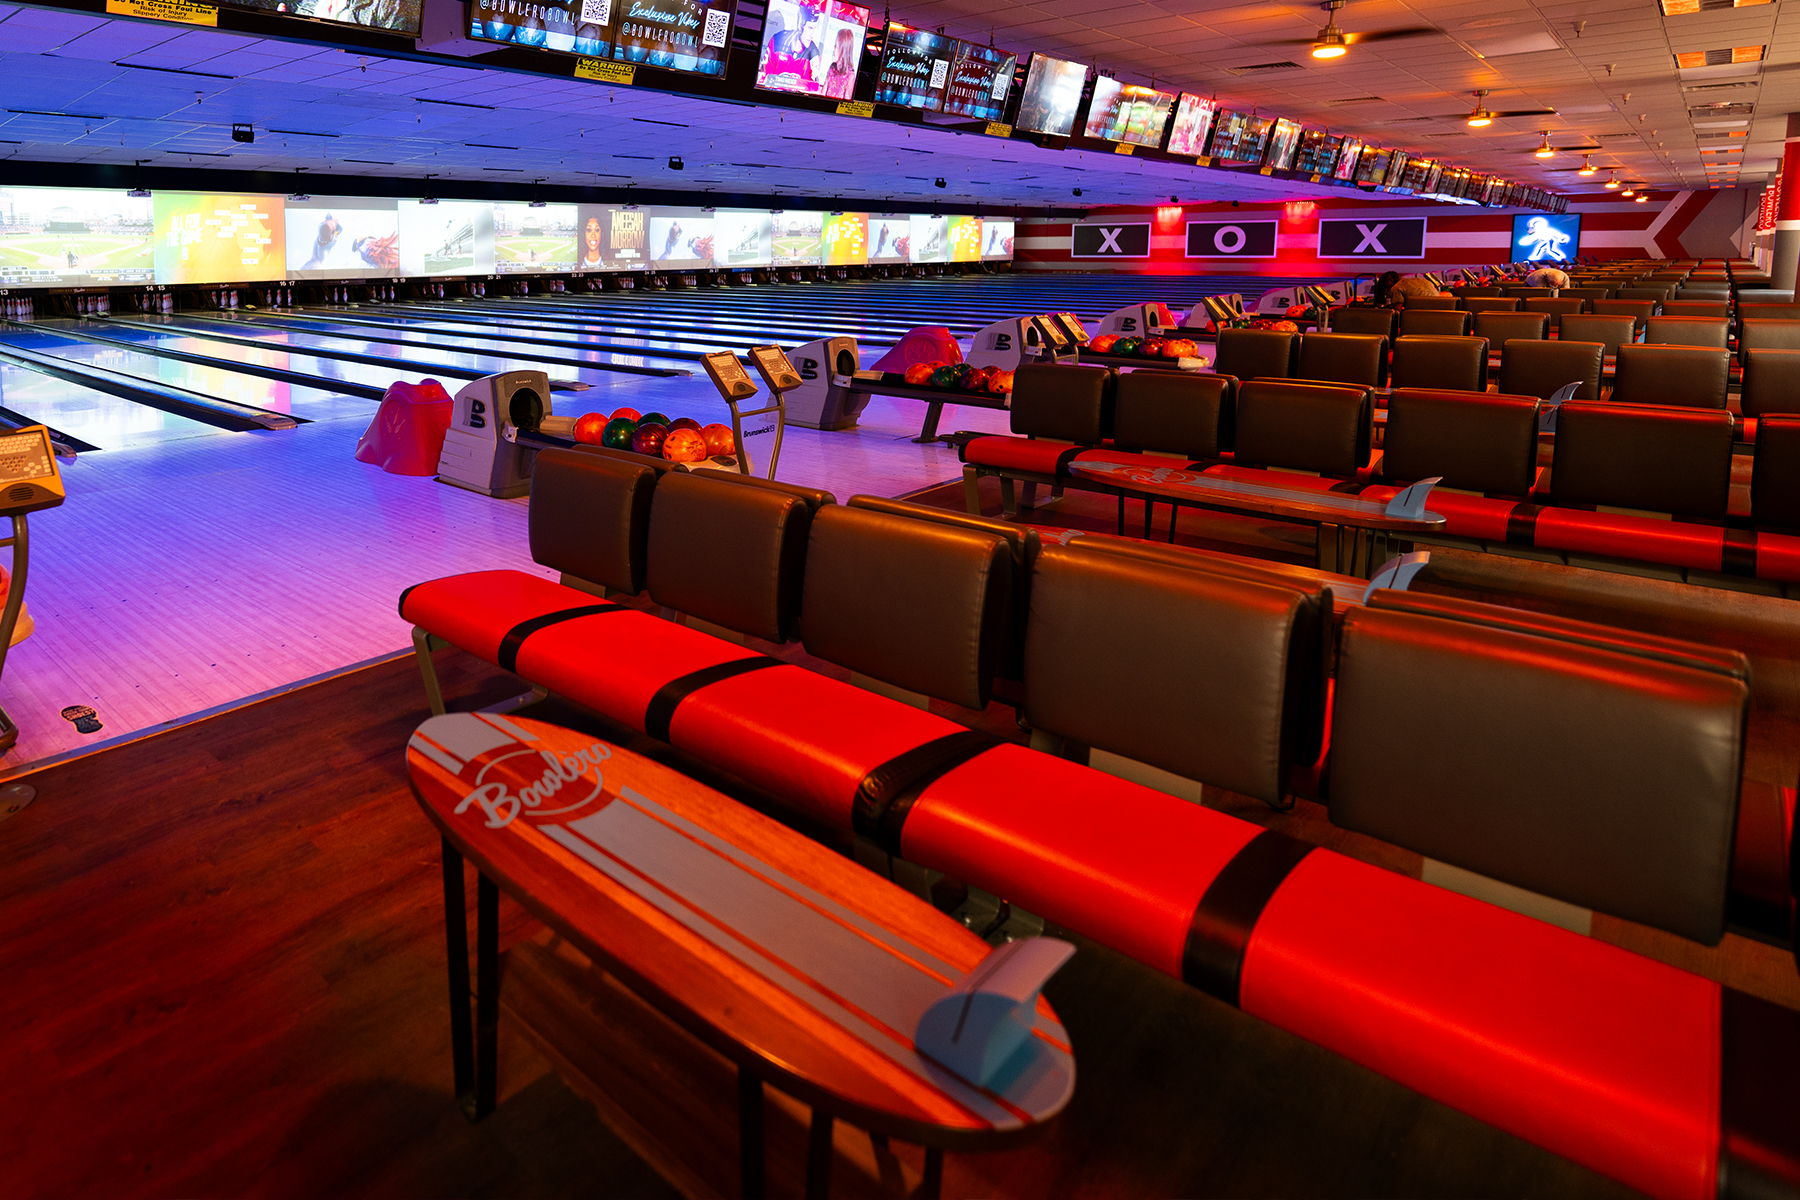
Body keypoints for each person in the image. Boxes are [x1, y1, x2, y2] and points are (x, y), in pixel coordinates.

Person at [822, 27, 857, 98]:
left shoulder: (850, 76)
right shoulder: (832, 68)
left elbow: (846, 103)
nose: (833, 50)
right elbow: (823, 93)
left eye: (836, 46)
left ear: (844, 51)